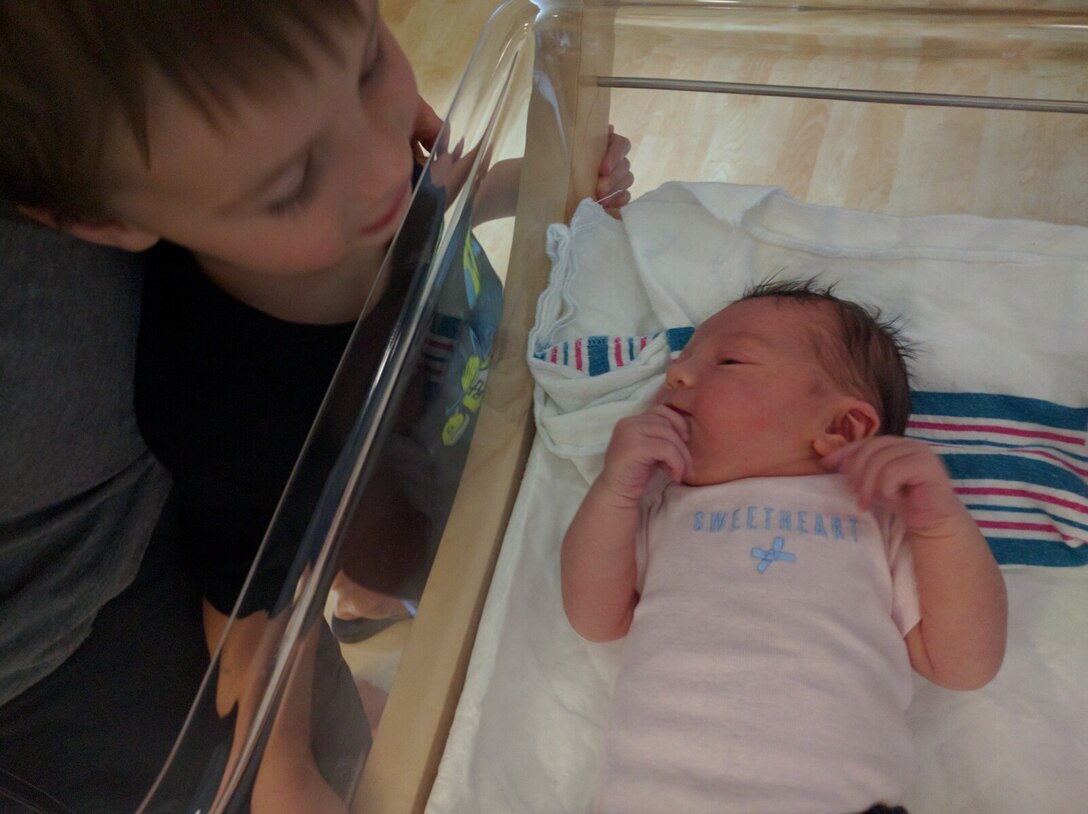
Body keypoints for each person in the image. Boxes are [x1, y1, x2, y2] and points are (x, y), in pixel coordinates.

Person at [0, 1, 632, 812]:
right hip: (381, 507)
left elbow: (431, 204)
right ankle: (376, 596)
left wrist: (535, 186)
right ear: (109, 221)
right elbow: (256, 606)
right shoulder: (229, 411)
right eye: (292, 183)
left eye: (370, 62)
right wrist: (284, 766)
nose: (381, 164)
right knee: (408, 567)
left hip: (463, 417)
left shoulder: (327, 164)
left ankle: (373, 600)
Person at [561, 279, 1008, 813]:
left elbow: (964, 665)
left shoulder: (876, 517)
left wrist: (941, 525)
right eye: (680, 364)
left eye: (729, 362)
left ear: (843, 425)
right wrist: (615, 489)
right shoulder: (663, 506)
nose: (676, 374)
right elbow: (595, 617)